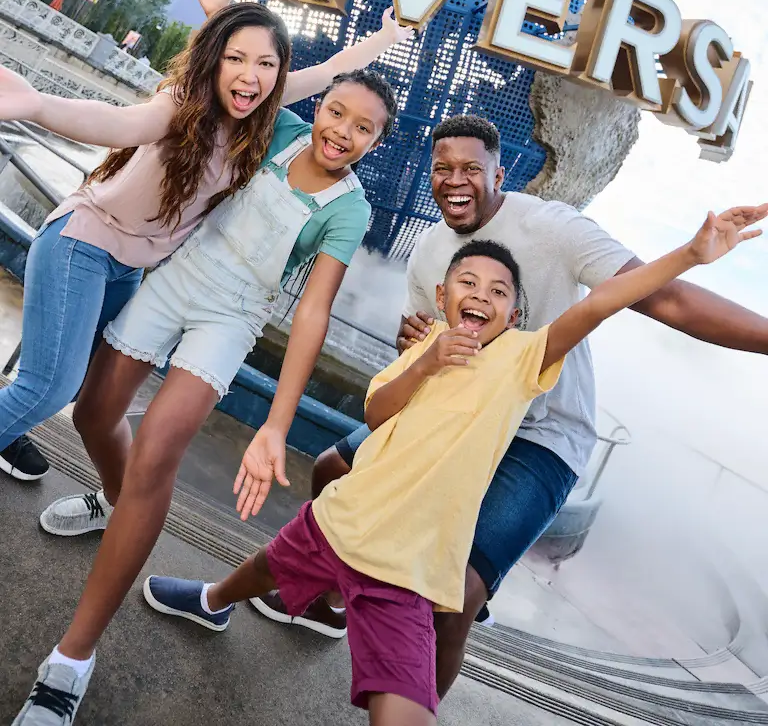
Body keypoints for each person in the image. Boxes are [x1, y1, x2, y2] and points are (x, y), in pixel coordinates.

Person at [134, 213, 761, 726]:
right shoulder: (421, 352)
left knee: (405, 703)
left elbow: (600, 303)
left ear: (514, 315)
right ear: (443, 296)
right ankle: (214, 598)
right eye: (469, 285)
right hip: (342, 521)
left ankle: (254, 606)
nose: (481, 298)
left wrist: (689, 253)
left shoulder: (522, 359)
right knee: (275, 560)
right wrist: (424, 363)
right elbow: (378, 411)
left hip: (410, 569)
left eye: (499, 293)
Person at [254, 114, 768, 693]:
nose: (456, 181)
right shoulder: (430, 251)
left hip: (539, 437)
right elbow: (424, 332)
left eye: (472, 168)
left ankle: (428, 679)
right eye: (443, 168)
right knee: (330, 469)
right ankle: (334, 602)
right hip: (458, 415)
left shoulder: (554, 228)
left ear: (502, 172)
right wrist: (415, 340)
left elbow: (664, 299)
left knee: (453, 603)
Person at [12, 66, 400, 725]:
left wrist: (276, 424)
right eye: (337, 113)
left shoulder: (350, 206)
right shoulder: (281, 128)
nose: (343, 132)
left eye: (364, 128)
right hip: (176, 278)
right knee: (93, 413)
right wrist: (225, 12)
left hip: (234, 317)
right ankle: (112, 498)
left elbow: (311, 314)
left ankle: (70, 662)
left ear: (377, 141)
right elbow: (249, 67)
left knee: (158, 453)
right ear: (322, 108)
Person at [0, 0, 411, 481]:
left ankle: (20, 437)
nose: (251, 74)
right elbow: (119, 124)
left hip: (129, 266)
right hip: (85, 243)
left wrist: (389, 35)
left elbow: (331, 72)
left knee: (73, 378)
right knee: (50, 385)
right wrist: (36, 105)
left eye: (265, 64)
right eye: (235, 57)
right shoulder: (181, 106)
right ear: (214, 59)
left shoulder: (265, 115)